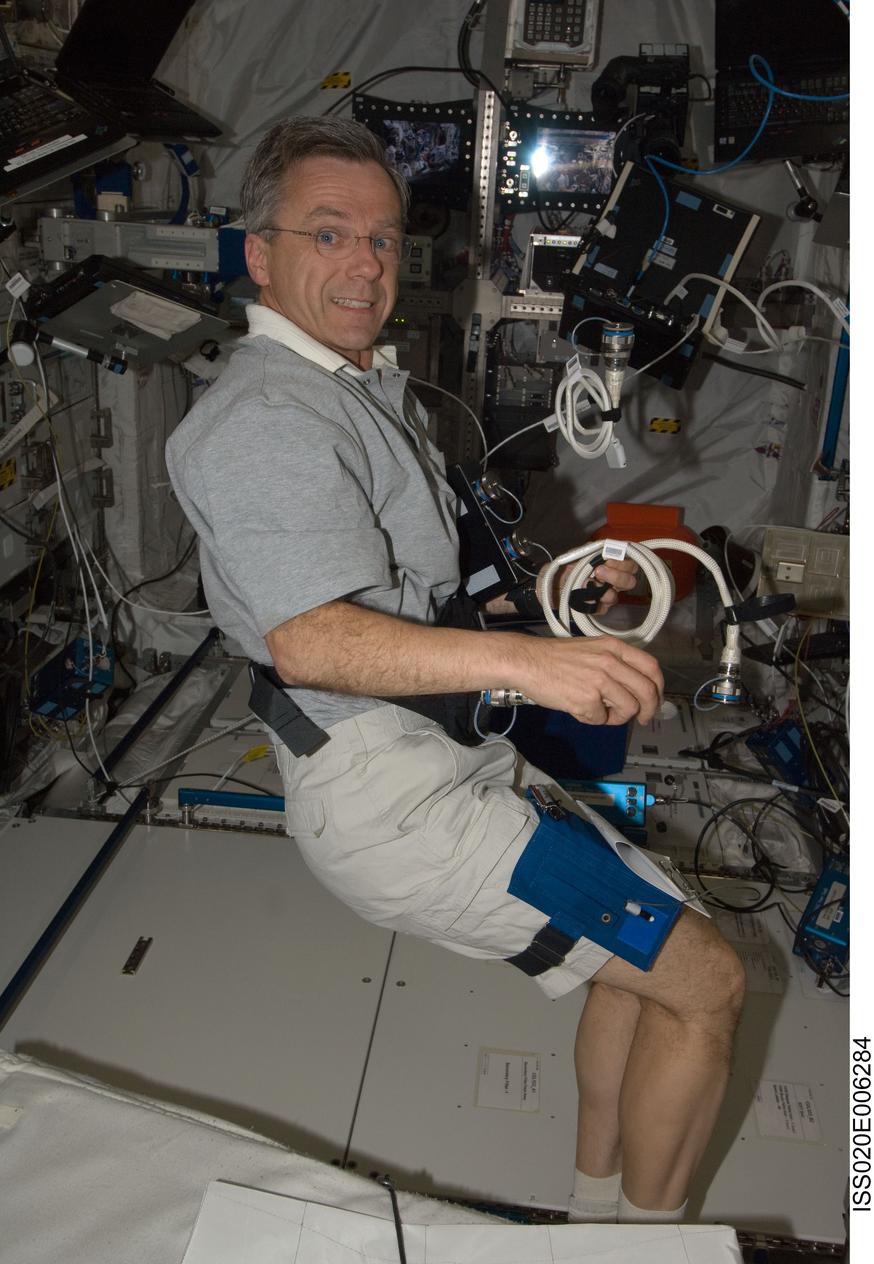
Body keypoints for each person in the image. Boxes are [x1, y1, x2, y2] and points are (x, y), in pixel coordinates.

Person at [165, 116, 745, 1226]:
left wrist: (561, 619)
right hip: (397, 800)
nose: (363, 264)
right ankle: (652, 1250)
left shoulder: (353, 388)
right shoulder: (264, 417)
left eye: (382, 239)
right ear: (259, 254)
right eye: (328, 233)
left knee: (657, 935)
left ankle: (590, 1220)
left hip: (444, 753)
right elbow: (316, 641)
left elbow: (431, 595)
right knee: (705, 980)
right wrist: (534, 664)